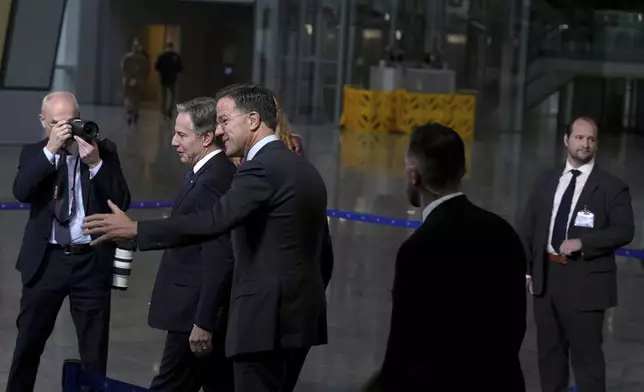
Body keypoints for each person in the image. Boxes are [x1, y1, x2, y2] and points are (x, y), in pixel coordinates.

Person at [83, 83, 334, 392]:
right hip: (300, 321)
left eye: (225, 120)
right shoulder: (304, 170)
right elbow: (324, 256)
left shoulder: (259, 170)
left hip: (263, 324)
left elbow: (214, 221)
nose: (218, 130)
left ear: (253, 120)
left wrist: (136, 230)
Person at [363, 122, 526, 391]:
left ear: (414, 176)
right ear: (462, 169)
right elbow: (514, 328)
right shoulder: (505, 234)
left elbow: (404, 348)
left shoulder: (418, 249)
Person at [7, 91, 131, 392]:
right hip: (46, 261)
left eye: (70, 121)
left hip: (90, 261)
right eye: (55, 123)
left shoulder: (103, 150)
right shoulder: (34, 153)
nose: (64, 130)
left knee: (94, 350)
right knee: (28, 345)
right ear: (42, 122)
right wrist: (50, 151)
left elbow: (123, 200)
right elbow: (22, 191)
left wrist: (96, 164)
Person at [520, 116, 634, 392]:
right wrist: (528, 270)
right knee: (550, 360)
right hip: (546, 281)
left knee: (588, 364)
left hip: (586, 284)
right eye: (580, 137)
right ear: (566, 140)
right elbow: (528, 227)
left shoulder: (611, 187)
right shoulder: (546, 181)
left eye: (591, 139)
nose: (585, 144)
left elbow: (624, 230)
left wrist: (585, 242)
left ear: (597, 145)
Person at [148, 97, 235, 392]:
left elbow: (218, 257)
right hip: (191, 313)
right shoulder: (203, 174)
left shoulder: (212, 181)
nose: (173, 141)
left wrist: (204, 322)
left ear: (207, 137)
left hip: (193, 318)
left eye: (182, 135)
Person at [121, 38, 149, 125]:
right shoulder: (143, 59)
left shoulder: (127, 58)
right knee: (136, 99)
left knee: (129, 98)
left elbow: (123, 69)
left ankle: (129, 112)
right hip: (138, 81)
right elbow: (145, 71)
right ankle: (135, 113)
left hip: (128, 80)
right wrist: (139, 79)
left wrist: (128, 78)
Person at [154, 42, 184, 119]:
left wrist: (162, 71)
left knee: (164, 96)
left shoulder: (162, 55)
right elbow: (180, 68)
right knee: (173, 96)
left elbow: (156, 67)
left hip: (164, 78)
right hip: (173, 78)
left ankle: (164, 111)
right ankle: (170, 110)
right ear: (172, 47)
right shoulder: (175, 56)